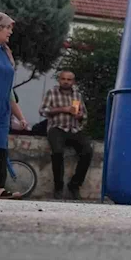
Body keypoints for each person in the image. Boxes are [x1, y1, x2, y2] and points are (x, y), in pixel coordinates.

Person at [0, 10, 28, 199]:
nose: (10, 32)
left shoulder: (4, 54)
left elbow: (9, 91)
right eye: (7, 27)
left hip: (2, 110)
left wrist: (20, 116)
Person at [39, 71, 93, 200]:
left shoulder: (77, 95)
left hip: (74, 129)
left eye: (69, 80)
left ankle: (74, 185)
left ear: (73, 82)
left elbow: (84, 115)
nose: (66, 81)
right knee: (57, 152)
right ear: (59, 80)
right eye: (63, 79)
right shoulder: (52, 93)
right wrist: (64, 109)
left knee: (87, 151)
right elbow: (43, 111)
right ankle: (58, 187)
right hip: (57, 128)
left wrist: (80, 116)